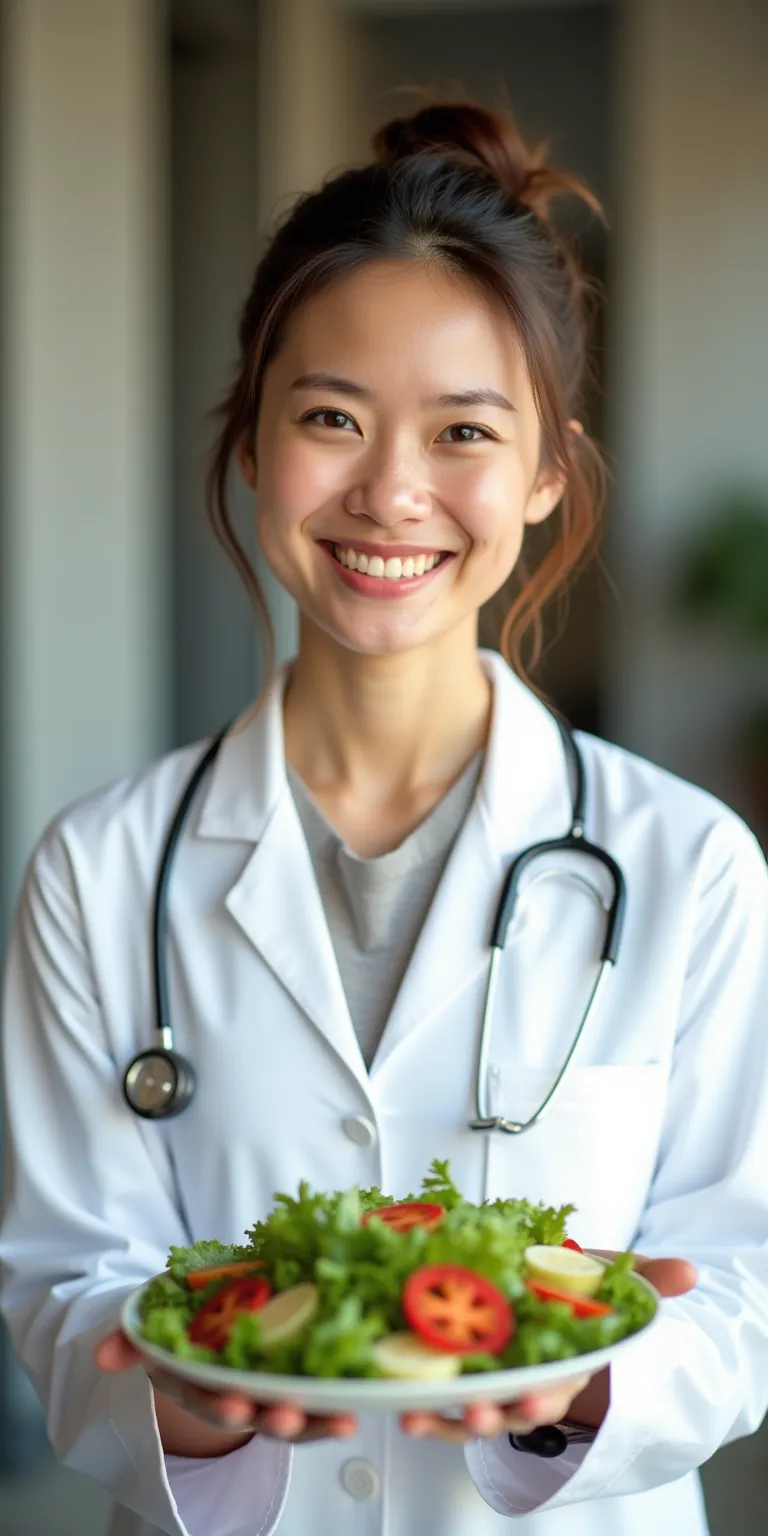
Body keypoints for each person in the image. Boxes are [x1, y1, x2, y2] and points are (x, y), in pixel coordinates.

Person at [1, 99, 767, 1536]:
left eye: (464, 430)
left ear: (546, 471)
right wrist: (187, 1392)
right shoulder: (100, 874)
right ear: (252, 437)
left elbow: (737, 1290)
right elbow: (64, 1279)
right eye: (332, 417)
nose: (392, 493)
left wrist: (588, 1387)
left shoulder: (690, 866)